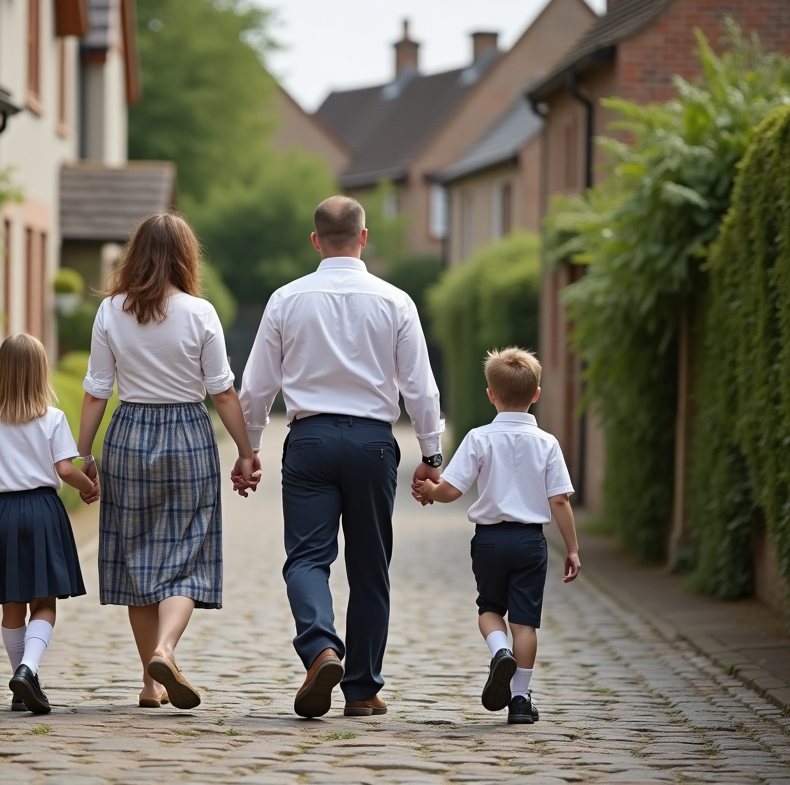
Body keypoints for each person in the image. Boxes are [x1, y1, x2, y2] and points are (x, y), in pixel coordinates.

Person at [236, 195, 445, 719]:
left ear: (315, 241)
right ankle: (361, 690)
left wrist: (249, 447)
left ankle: (321, 648)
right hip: (374, 443)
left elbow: (257, 386)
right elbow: (420, 387)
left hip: (309, 441)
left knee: (307, 558)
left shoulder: (285, 299)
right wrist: (432, 453)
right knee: (370, 568)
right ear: (364, 237)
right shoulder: (395, 301)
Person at [76, 212, 261, 711]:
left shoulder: (111, 311)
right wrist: (246, 452)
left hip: (129, 433)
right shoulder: (200, 312)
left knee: (137, 560)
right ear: (185, 257)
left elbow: (97, 392)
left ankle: (150, 682)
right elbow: (222, 392)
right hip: (187, 434)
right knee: (188, 557)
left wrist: (83, 455)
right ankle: (166, 649)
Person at [414, 347, 581, 724]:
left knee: (490, 609)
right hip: (530, 541)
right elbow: (559, 501)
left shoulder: (478, 438)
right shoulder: (548, 443)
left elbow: (452, 490)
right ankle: (520, 700)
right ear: (536, 394)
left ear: (490, 394)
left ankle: (499, 651)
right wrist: (571, 548)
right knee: (526, 621)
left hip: (489, 540)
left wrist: (429, 492)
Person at [0, 333, 100, 715]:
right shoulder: (52, 419)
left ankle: (21, 685)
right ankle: (28, 669)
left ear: (0, 373)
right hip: (42, 511)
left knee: (11, 605)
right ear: (41, 373)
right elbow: (64, 469)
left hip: (2, 514)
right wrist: (89, 486)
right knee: (44, 602)